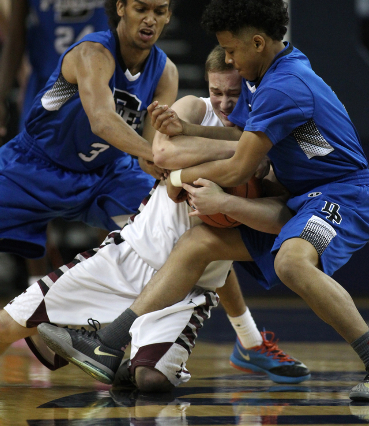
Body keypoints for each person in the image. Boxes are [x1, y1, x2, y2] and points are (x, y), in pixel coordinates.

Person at [37, 0, 369, 401]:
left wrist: (177, 178)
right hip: (292, 198)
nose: (227, 58)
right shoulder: (263, 75)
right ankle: (107, 342)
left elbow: (238, 165)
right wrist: (188, 129)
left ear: (258, 41)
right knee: (198, 242)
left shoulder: (286, 85)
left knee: (293, 263)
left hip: (342, 197)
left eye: (231, 50)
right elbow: (239, 134)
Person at [19, 45, 310, 389]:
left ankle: (123, 347)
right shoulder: (194, 109)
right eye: (217, 91)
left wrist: (219, 186)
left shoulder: (273, 125)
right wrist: (205, 167)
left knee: (152, 377)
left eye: (233, 92)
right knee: (18, 326)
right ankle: (107, 340)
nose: (225, 102)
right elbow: (163, 152)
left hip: (192, 277)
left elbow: (274, 213)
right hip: (137, 253)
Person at [0, 0, 178, 264]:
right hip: (35, 164)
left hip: (105, 174)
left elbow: (149, 157)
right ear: (121, 8)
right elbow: (102, 121)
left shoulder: (165, 74)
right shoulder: (92, 53)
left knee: (169, 230)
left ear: (168, 15)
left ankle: (140, 306)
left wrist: (172, 171)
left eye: (159, 11)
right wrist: (152, 153)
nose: (150, 19)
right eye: (140, 8)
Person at [0, 0, 131, 136]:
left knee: (102, 161)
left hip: (101, 86)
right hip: (47, 86)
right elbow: (15, 38)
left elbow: (126, 31)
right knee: (33, 159)